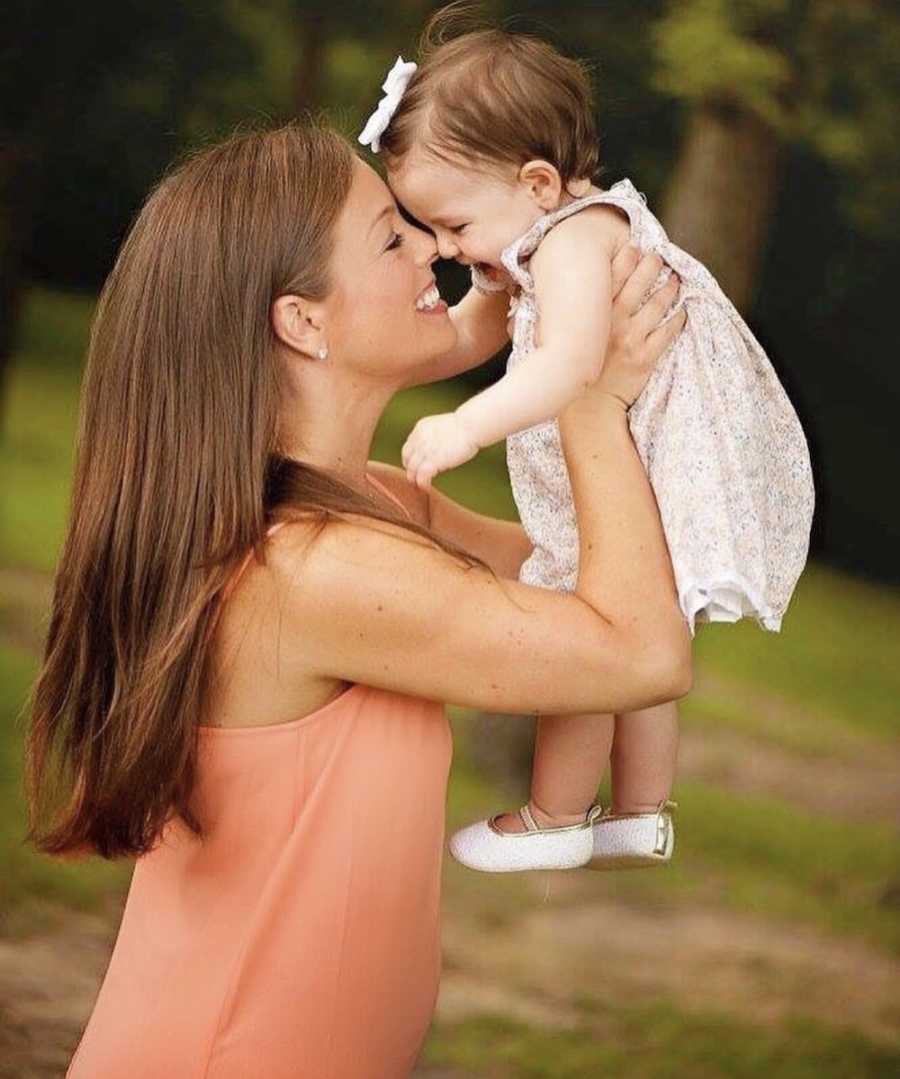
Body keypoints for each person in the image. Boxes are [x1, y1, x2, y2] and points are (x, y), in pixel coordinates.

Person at [24, 119, 689, 1078]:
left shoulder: (370, 506)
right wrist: (588, 395)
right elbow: (638, 651)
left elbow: (609, 580)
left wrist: (551, 302)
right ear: (302, 321)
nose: (433, 244)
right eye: (392, 236)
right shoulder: (312, 569)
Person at [362, 10, 814, 874]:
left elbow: (570, 361)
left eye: (455, 225)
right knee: (647, 629)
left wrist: (467, 424)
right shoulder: (546, 237)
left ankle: (555, 814)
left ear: (536, 183)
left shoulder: (574, 242)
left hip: (641, 453)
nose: (449, 249)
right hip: (654, 464)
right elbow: (473, 330)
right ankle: (642, 812)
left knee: (585, 628)